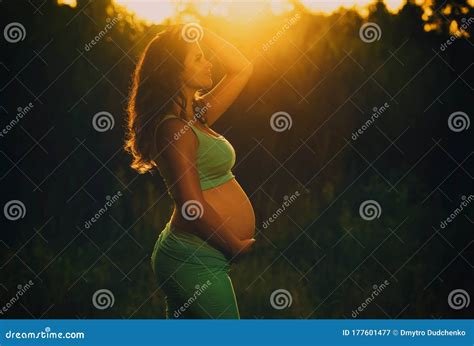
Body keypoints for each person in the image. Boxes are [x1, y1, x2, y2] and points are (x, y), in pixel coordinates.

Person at [124, 24, 256, 318]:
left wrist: (199, 31)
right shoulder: (174, 129)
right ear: (174, 71)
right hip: (193, 259)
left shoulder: (196, 116)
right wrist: (232, 244)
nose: (208, 62)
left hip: (198, 254)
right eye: (198, 58)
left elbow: (242, 68)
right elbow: (190, 205)